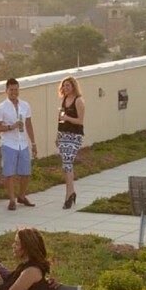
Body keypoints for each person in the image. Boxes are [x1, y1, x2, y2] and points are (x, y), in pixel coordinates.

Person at [0, 78, 38, 211]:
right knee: (9, 173)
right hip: (9, 144)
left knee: (26, 172)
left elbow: (29, 125)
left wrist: (33, 143)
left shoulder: (25, 105)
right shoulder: (1, 108)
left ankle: (22, 196)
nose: (14, 92)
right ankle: (12, 200)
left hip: (22, 143)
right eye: (11, 89)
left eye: (16, 89)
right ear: (6, 90)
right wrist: (10, 127)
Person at [56, 76, 86, 209]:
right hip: (63, 135)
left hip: (74, 136)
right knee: (66, 165)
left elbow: (80, 121)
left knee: (67, 163)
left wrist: (67, 117)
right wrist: (57, 135)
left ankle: (69, 195)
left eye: (68, 85)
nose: (65, 88)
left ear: (73, 87)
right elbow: (60, 121)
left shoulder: (79, 101)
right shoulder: (64, 100)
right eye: (64, 86)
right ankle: (71, 193)